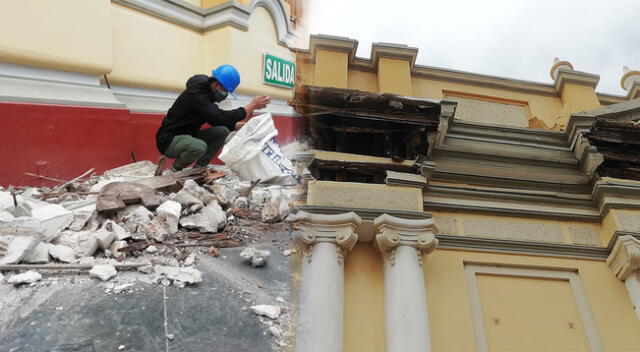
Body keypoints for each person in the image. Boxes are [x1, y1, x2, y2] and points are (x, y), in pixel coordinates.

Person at [155, 64, 271, 171]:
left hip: (188, 137)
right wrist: (251, 106)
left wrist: (237, 125)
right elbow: (219, 117)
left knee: (222, 131)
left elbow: (214, 119)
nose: (225, 95)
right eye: (225, 91)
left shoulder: (205, 95)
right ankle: (175, 171)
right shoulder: (196, 95)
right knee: (199, 147)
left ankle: (199, 168)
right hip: (169, 141)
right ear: (216, 85)